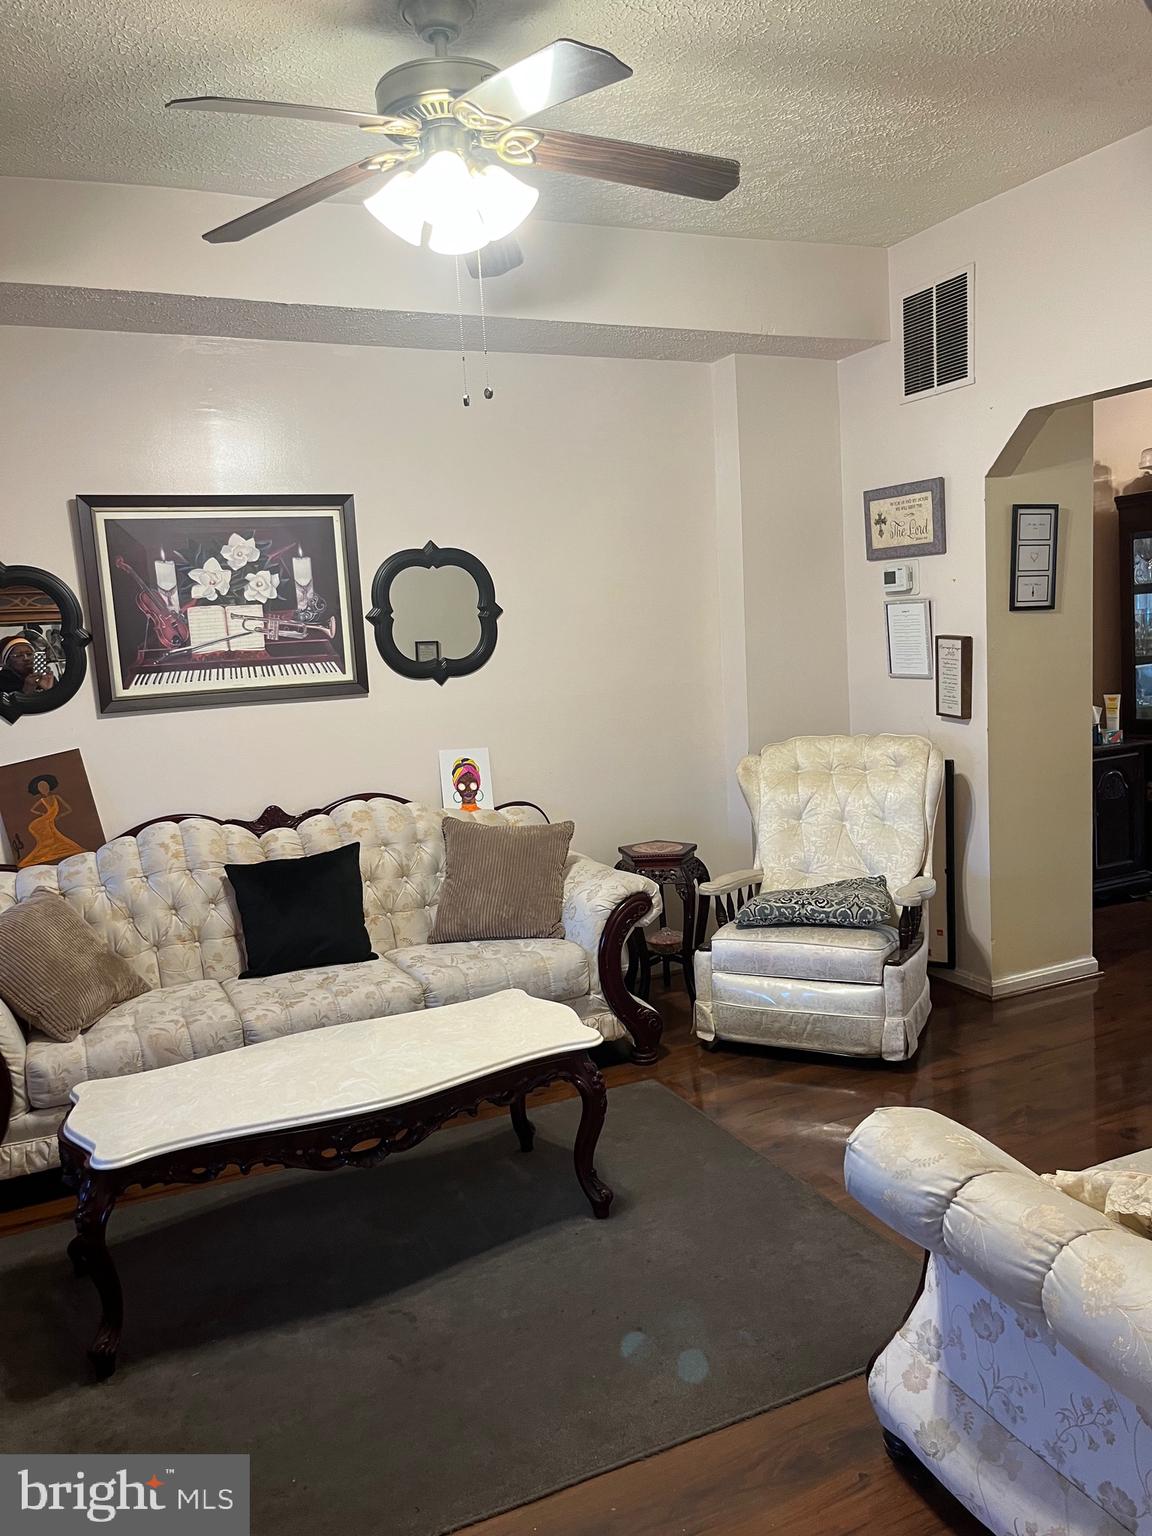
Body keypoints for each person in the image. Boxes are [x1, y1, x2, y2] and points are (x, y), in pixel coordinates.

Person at [18, 773, 85, 868]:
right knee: (49, 836)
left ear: (49, 786)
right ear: (38, 790)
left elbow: (68, 809)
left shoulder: (55, 797)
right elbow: (32, 809)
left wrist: (60, 816)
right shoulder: (42, 800)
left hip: (50, 819)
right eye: (41, 787)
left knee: (55, 836)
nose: (44, 789)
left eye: (45, 786)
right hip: (45, 819)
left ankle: (55, 850)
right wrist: (41, 814)